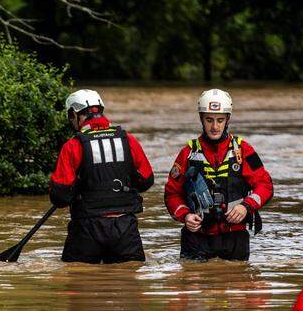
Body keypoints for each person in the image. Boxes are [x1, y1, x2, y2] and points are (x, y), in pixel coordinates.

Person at [163, 88, 273, 261]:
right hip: (197, 237)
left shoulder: (243, 150)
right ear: (201, 119)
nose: (215, 127)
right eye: (209, 120)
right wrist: (186, 216)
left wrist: (246, 206)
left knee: (238, 282)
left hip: (234, 238)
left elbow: (265, 185)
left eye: (220, 120)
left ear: (227, 119)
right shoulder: (188, 153)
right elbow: (172, 193)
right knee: (190, 285)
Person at [48, 89, 155, 263]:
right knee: (130, 284)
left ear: (74, 114)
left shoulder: (73, 146)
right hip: (125, 228)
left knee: (77, 280)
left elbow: (59, 197)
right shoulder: (128, 139)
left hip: (87, 230)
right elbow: (146, 181)